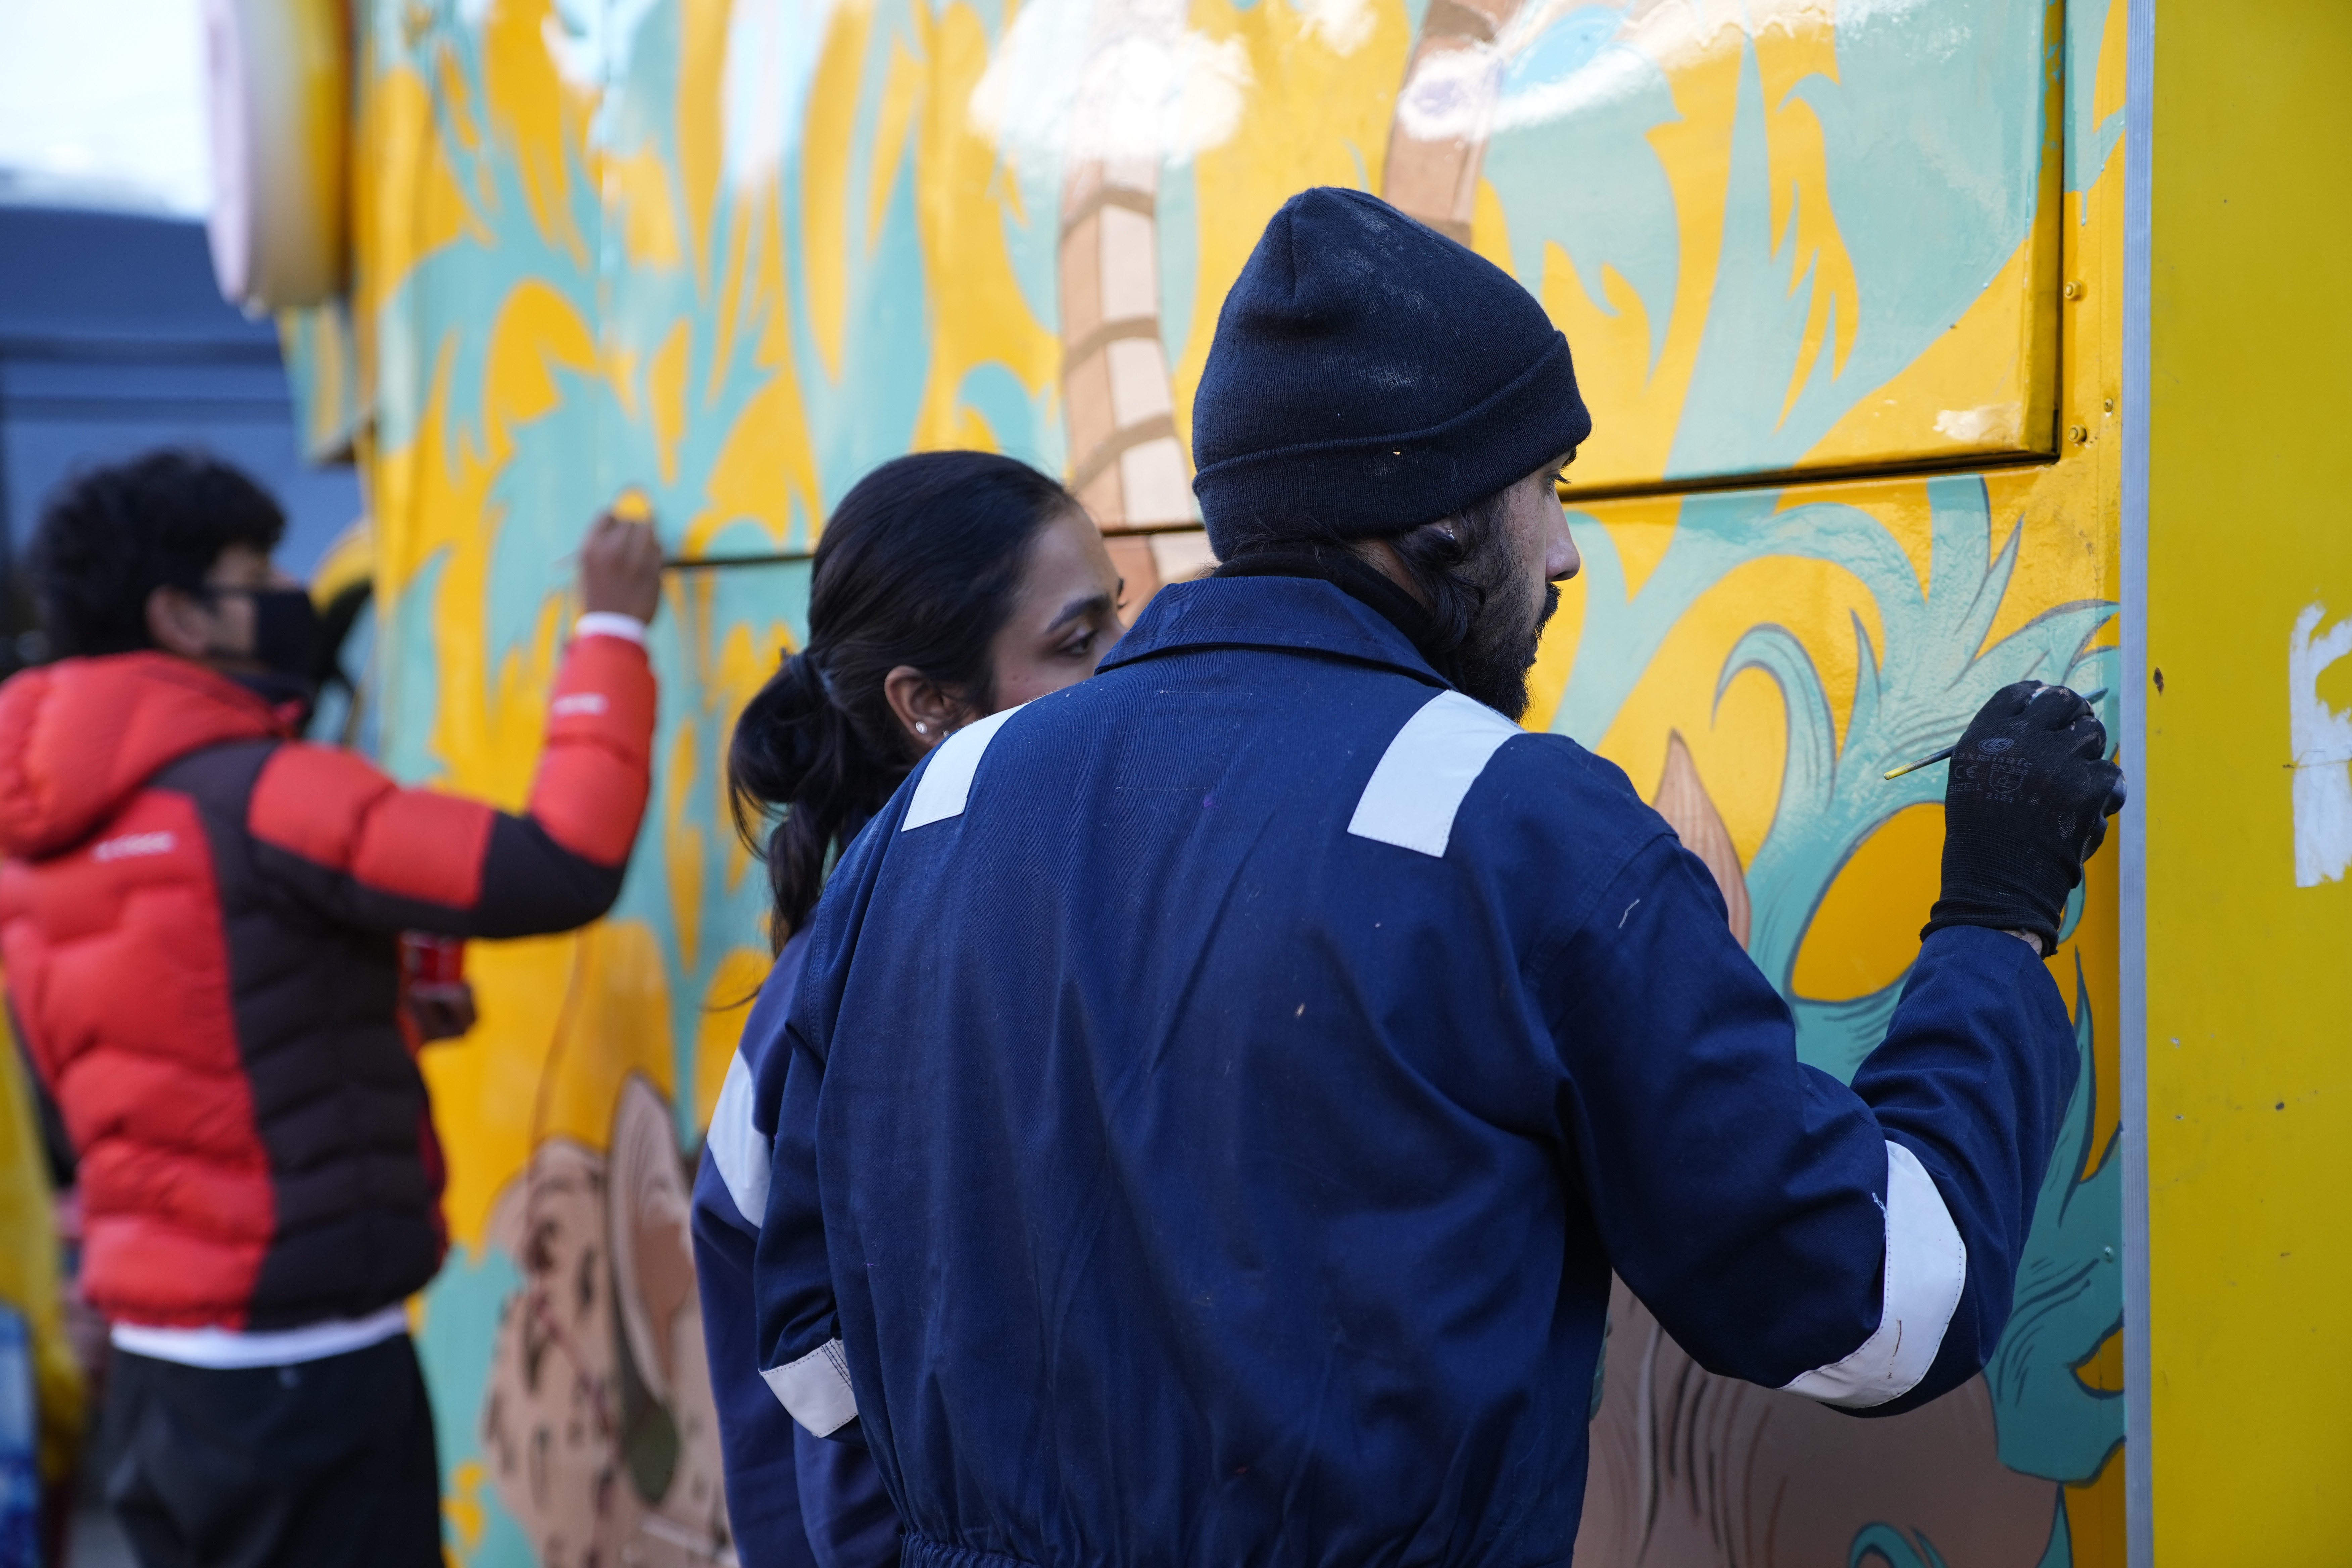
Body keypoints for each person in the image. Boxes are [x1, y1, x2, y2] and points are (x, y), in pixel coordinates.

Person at [747, 188, 2125, 1566]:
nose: (1570, 550)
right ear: (1438, 527)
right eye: (1551, 489)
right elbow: (1878, 1306)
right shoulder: (1519, 833)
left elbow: (802, 1306)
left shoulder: (937, 809)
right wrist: (1996, 921)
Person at [0, 450, 664, 1568]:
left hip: (161, 1377)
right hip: (305, 1378)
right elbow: (559, 863)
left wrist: (373, 1022)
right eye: (255, 568)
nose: (287, 589)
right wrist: (614, 637)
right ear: (182, 615)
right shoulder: (265, 792)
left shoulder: (37, 840)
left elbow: (167, 1046)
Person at [693, 451, 1127, 1568]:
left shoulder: (1078, 910)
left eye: (1119, 624)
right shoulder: (856, 994)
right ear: (928, 705)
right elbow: (796, 1359)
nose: (1129, 674)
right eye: (1078, 644)